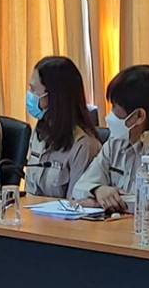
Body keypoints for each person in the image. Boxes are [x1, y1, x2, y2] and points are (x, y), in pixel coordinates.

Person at [73, 64, 149, 213]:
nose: (110, 114)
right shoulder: (116, 141)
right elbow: (79, 188)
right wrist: (99, 191)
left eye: (115, 107)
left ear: (139, 116)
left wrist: (109, 201)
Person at [23, 56, 103, 199]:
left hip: (62, 220)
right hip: (34, 217)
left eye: (34, 90)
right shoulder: (41, 129)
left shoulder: (84, 146)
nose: (30, 95)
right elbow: (31, 191)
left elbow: (76, 205)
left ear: (54, 96)